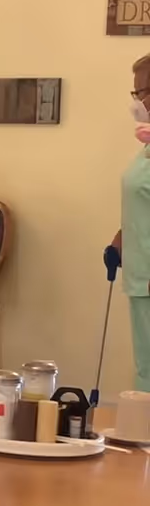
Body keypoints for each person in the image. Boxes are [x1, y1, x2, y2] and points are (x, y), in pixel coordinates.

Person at [107, 51, 150, 391]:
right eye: (135, 93)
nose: (138, 102)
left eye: (144, 92)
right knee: (145, 368)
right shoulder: (146, 148)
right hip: (139, 276)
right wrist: (122, 238)